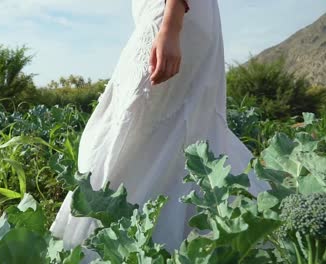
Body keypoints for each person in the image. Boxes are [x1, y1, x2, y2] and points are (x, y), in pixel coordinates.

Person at [50, 0, 269, 262]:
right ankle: (194, 245)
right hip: (178, 18)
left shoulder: (172, 25)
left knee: (128, 132)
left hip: (173, 17)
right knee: (172, 139)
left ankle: (106, 249)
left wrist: (171, 27)